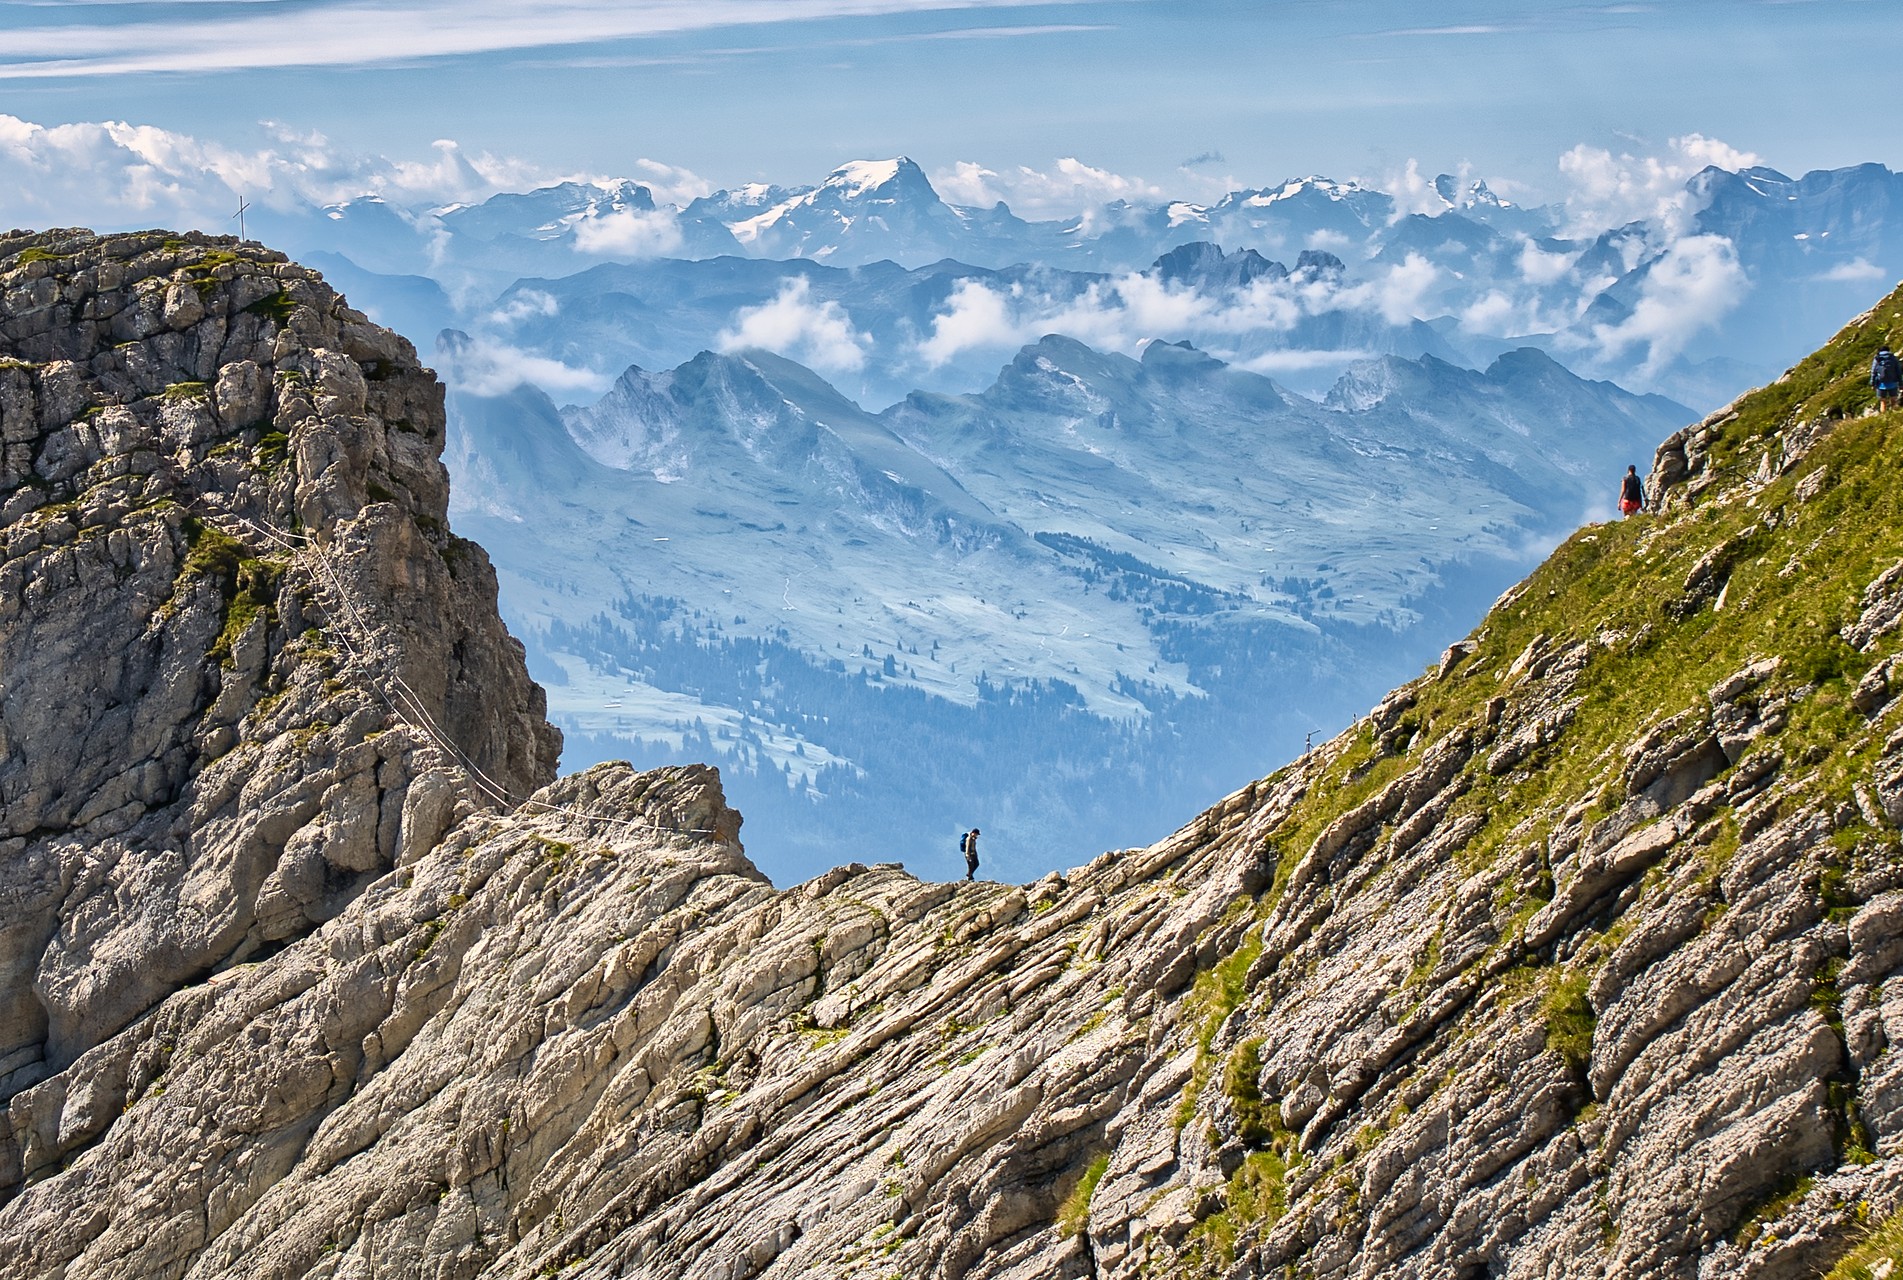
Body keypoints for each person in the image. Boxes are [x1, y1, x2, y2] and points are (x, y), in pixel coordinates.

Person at [1873, 347, 1902, 413]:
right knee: (1893, 400)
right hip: (1893, 383)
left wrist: (1872, 383)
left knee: (1883, 402)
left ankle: (1884, 417)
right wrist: (1901, 383)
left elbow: (1873, 372)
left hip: (1881, 384)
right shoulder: (1893, 358)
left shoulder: (1877, 358)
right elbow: (1898, 371)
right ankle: (1894, 415)